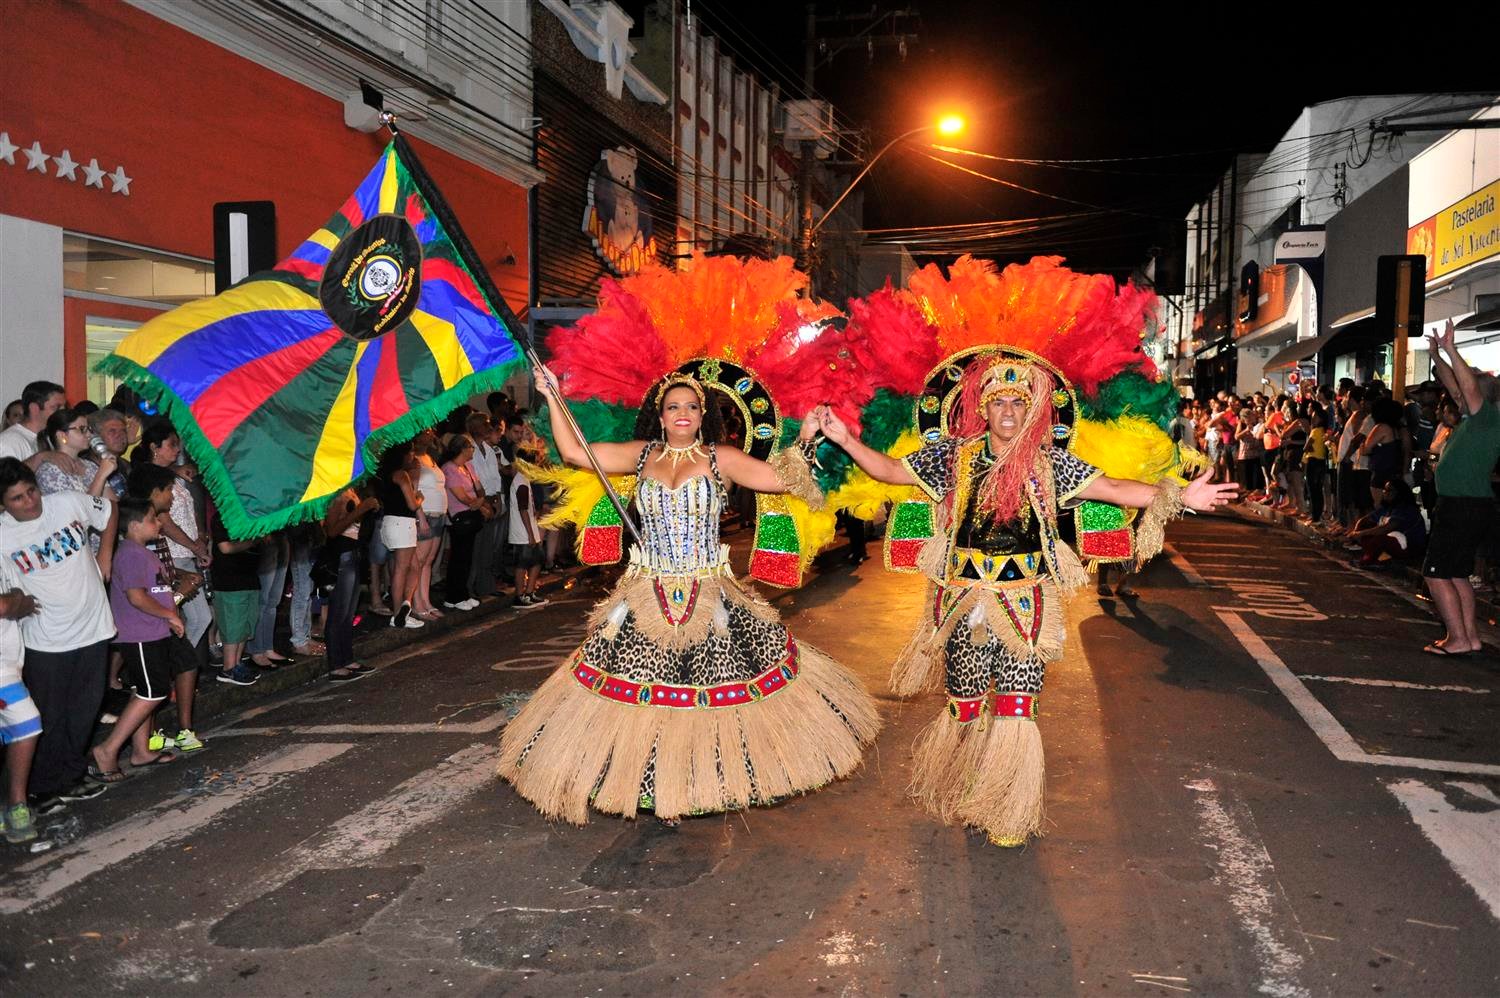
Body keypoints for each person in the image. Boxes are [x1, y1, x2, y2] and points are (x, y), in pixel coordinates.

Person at [816, 351, 1236, 846]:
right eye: (1000, 403)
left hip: (1026, 604)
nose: (1009, 411)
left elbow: (1116, 488)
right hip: (962, 601)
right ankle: (969, 787)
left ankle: (1007, 809)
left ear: (1033, 410)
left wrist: (1180, 495)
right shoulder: (954, 456)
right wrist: (846, 440)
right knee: (966, 705)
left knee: (1017, 707)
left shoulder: (1051, 462)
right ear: (983, 409)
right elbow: (890, 471)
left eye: (1020, 402)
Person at [498, 366, 881, 826]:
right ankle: (653, 783)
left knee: (708, 698)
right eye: (673, 406)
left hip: (709, 595)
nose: (683, 413)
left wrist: (805, 438)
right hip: (646, 596)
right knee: (646, 699)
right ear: (659, 416)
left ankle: (703, 779)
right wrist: (553, 395)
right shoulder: (642, 456)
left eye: (692, 407)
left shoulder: (721, 457)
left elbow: (781, 480)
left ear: (703, 417)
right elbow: (576, 452)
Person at [0, 458, 117, 813]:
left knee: (86, 709)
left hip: (93, 625)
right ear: (4, 504)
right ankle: (40, 787)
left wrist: (105, 555)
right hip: (46, 638)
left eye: (31, 491)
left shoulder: (66, 502)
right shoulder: (3, 536)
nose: (30, 501)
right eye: (17, 498)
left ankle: (72, 775)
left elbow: (109, 510)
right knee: (51, 716)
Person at [91, 499, 185, 780]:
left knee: (145, 690)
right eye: (152, 519)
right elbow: (137, 596)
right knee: (154, 691)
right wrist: (170, 615)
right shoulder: (131, 554)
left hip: (151, 631)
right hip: (140, 633)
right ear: (134, 525)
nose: (158, 523)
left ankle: (141, 751)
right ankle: (107, 750)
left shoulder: (142, 552)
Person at [1422, 321, 1500, 656]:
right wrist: (1437, 355)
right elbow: (1457, 387)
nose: (1460, 394)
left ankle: (1457, 638)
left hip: (1463, 505)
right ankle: (1469, 637)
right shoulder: (1474, 419)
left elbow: (1466, 388)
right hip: (1466, 504)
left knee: (1437, 574)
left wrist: (1453, 350)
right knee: (1456, 575)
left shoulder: (1487, 418)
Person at [321, 484, 380, 681]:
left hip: (354, 552)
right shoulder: (336, 495)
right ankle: (336, 665)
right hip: (342, 555)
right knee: (338, 611)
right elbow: (331, 531)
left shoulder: (350, 491)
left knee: (348, 613)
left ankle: (346, 659)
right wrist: (362, 509)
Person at [1, 559, 41, 842]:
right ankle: (16, 805)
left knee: (25, 724)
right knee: (27, 720)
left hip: (8, 662)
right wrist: (18, 601)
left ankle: (16, 805)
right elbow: (5, 606)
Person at [210, 505, 262, 686]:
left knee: (245, 625)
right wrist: (252, 542)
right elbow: (225, 547)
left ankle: (237, 664)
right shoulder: (222, 516)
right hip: (229, 580)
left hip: (248, 577)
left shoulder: (247, 513)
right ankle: (228, 668)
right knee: (233, 626)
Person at [374, 441, 425, 629]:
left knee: (413, 565)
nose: (413, 456)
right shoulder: (401, 474)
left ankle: (406, 605)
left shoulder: (386, 476)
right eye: (411, 453)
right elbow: (412, 504)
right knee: (402, 569)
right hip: (402, 523)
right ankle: (398, 615)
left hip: (390, 522)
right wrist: (419, 497)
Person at [440, 433, 485, 611]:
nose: (472, 450)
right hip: (459, 517)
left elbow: (479, 489)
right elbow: (462, 497)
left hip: (472, 515)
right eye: (471, 447)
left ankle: (463, 593)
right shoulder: (449, 469)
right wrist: (477, 502)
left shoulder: (467, 467)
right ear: (463, 449)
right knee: (459, 557)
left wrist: (480, 501)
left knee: (467, 557)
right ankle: (454, 596)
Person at [32, 408, 117, 501]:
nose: (89, 434)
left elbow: (112, 504)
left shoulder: (90, 466)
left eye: (89, 429)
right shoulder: (49, 472)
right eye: (82, 429)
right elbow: (82, 511)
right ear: (62, 435)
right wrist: (101, 475)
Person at [466, 412, 507, 600]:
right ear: (475, 427)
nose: (489, 427)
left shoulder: (489, 449)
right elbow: (471, 479)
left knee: (488, 547)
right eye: (485, 424)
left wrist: (497, 498)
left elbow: (495, 476)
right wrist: (484, 502)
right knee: (476, 548)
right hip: (478, 502)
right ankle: (471, 587)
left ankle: (486, 585)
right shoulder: (469, 448)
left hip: (491, 499)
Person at [506, 428, 547, 610]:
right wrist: (531, 534)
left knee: (536, 561)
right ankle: (520, 595)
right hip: (523, 532)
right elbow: (523, 510)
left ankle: (529, 592)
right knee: (523, 564)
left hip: (529, 529)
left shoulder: (524, 480)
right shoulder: (521, 482)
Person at [409, 428, 447, 621]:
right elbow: (414, 490)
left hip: (439, 514)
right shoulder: (414, 460)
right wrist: (420, 515)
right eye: (426, 431)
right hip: (426, 515)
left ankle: (426, 601)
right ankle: (417, 604)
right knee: (419, 561)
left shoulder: (429, 458)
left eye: (432, 431)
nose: (431, 434)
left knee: (428, 561)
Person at [1347, 479, 1426, 567]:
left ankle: (1369, 561)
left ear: (1399, 493)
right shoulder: (1387, 508)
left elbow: (1387, 528)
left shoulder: (1406, 509)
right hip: (1393, 542)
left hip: (1409, 546)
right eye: (1385, 489)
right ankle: (1376, 557)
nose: (1385, 493)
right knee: (1366, 530)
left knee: (1379, 539)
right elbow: (1365, 520)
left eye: (1390, 490)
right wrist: (1355, 532)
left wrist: (1360, 533)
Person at [0, 381, 65, 462]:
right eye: (56, 407)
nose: (63, 412)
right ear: (34, 408)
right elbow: (8, 473)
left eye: (64, 407)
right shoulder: (9, 442)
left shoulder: (49, 438)